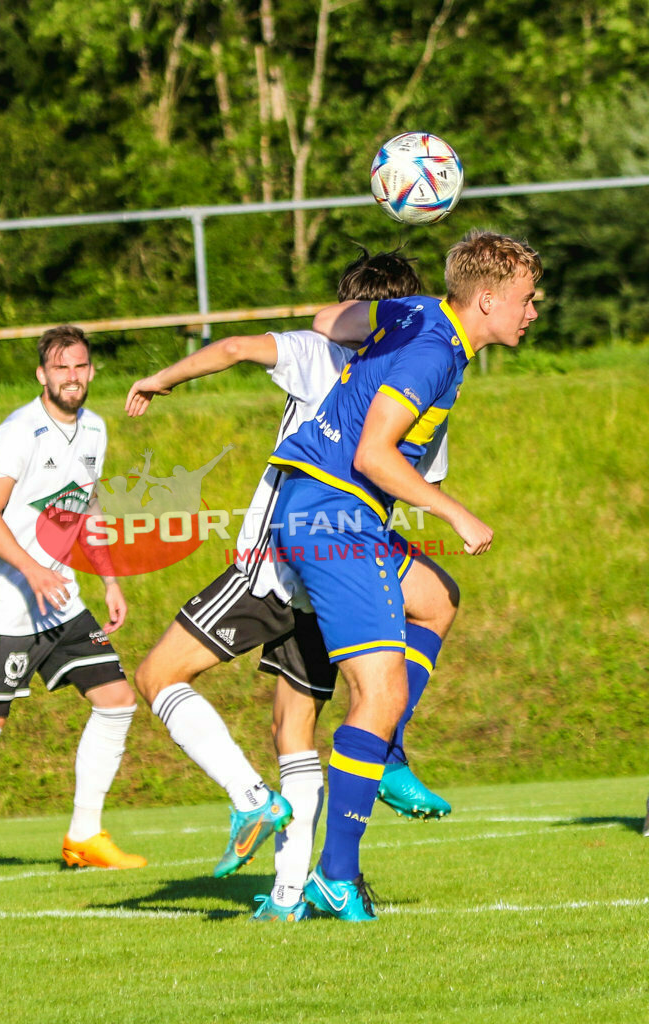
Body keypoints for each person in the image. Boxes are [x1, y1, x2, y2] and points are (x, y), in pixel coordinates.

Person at [125, 248, 459, 918]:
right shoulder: (424, 382)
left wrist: (163, 377)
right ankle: (286, 896)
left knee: (157, 676)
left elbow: (238, 346)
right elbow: (425, 486)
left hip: (275, 559)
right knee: (295, 725)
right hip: (342, 575)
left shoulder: (321, 353)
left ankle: (252, 801)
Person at [268, 228, 542, 920]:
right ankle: (336, 874)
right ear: (485, 302)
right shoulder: (431, 354)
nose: (532, 311)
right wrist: (457, 514)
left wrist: (372, 340)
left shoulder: (420, 313)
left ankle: (382, 753)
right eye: (524, 300)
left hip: (325, 507)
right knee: (379, 693)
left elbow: (325, 320)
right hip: (336, 517)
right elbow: (374, 454)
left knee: (437, 601)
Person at [0, 325, 147, 881]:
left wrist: (110, 580)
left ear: (91, 371)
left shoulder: (94, 429)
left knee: (117, 700)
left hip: (62, 599)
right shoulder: (19, 432)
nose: (71, 377)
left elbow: (87, 509)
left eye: (80, 366)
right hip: (5, 598)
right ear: (42, 375)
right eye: (60, 368)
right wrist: (31, 569)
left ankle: (84, 837)